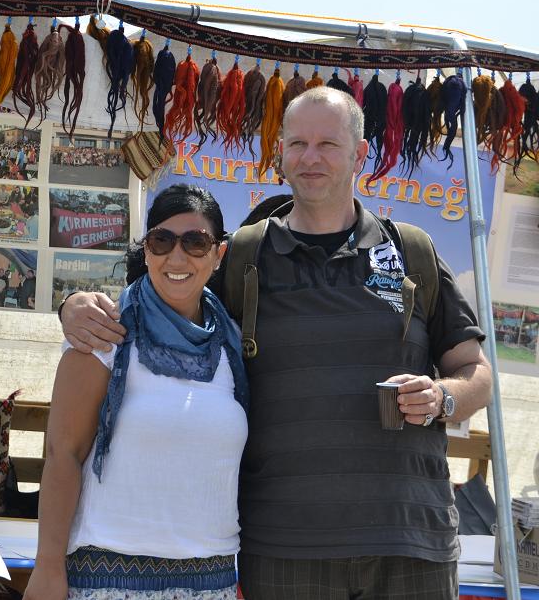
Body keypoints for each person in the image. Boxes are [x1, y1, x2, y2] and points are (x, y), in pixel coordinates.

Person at [60, 86, 492, 599]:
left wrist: (442, 397)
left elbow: (476, 372)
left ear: (359, 154)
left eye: (328, 144)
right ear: (281, 152)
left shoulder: (410, 251)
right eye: (297, 143)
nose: (311, 158)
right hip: (285, 548)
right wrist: (72, 306)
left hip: (410, 540)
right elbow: (160, 297)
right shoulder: (248, 255)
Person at [24, 185, 250, 600]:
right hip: (108, 579)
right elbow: (63, 456)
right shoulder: (103, 334)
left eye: (196, 242)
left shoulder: (233, 344)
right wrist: (48, 566)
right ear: (146, 250)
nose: (177, 257)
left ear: (218, 255)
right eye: (162, 241)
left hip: (211, 580)